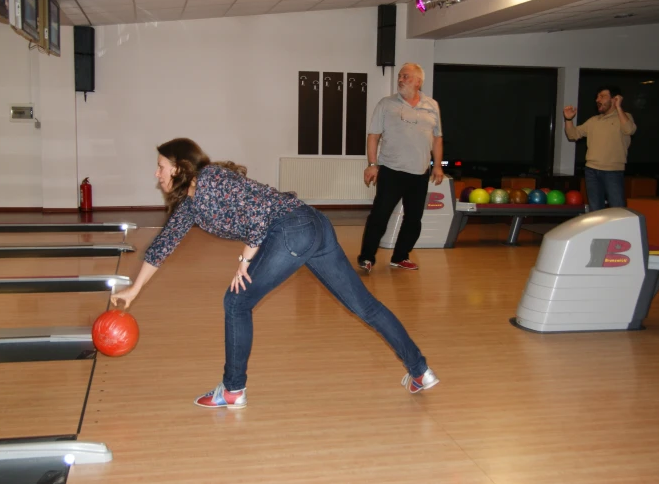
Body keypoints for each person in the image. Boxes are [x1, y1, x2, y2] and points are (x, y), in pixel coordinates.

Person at [110, 138, 438, 409]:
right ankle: (420, 370)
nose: (157, 174)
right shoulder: (192, 203)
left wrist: (245, 259)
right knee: (364, 306)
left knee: (236, 303)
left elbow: (258, 213)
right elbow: (164, 244)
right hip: (312, 226)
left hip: (292, 230)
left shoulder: (211, 179)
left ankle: (233, 389)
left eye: (161, 167)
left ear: (180, 168)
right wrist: (134, 290)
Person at [357, 63, 444, 274]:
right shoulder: (386, 104)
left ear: (418, 81)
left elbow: (437, 138)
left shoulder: (432, 105)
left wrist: (438, 166)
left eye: (406, 76)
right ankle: (367, 257)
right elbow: (374, 135)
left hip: (420, 172)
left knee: (414, 219)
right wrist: (371, 164)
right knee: (380, 216)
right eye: (400, 76)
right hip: (391, 170)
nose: (401, 79)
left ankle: (400, 257)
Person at [564, 86, 637, 212]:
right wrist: (569, 119)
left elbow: (630, 130)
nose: (597, 100)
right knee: (595, 209)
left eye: (602, 96)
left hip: (613, 171)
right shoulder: (594, 121)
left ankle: (618, 232)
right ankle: (599, 232)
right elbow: (572, 135)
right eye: (597, 97)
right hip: (592, 170)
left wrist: (619, 107)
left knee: (617, 209)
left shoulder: (625, 117)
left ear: (615, 99)